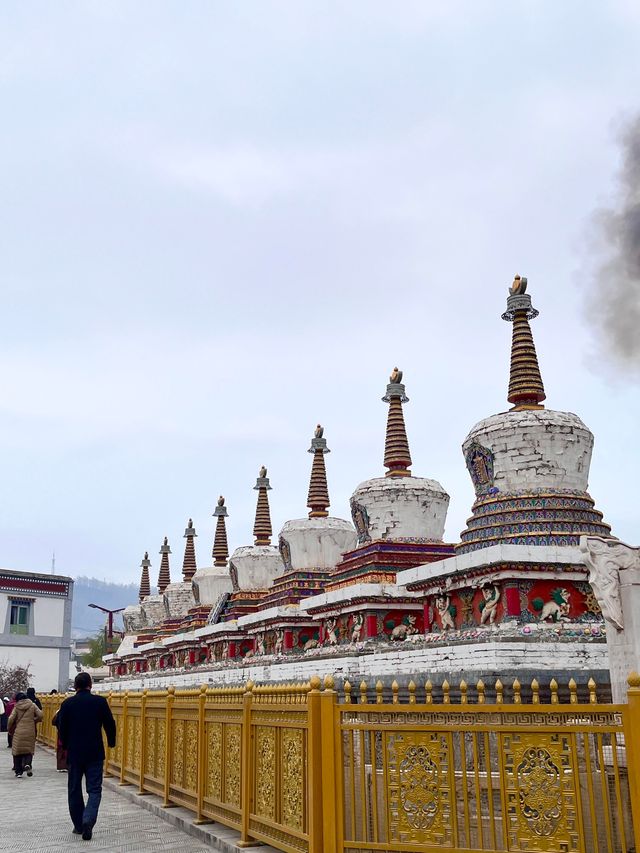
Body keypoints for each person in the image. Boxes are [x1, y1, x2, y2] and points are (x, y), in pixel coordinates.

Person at [56, 672, 116, 841]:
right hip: (94, 752)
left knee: (74, 788)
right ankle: (88, 819)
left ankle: (79, 825)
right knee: (94, 789)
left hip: (75, 753)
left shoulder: (67, 704)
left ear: (75, 686)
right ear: (91, 685)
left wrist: (66, 745)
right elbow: (109, 723)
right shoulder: (99, 702)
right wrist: (111, 741)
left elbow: (62, 727)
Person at [7, 691, 43, 778]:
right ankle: (27, 764)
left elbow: (11, 718)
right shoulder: (32, 705)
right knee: (29, 750)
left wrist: (9, 728)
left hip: (19, 731)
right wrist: (34, 720)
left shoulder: (17, 706)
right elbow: (40, 715)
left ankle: (18, 772)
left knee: (17, 751)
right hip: (30, 731)